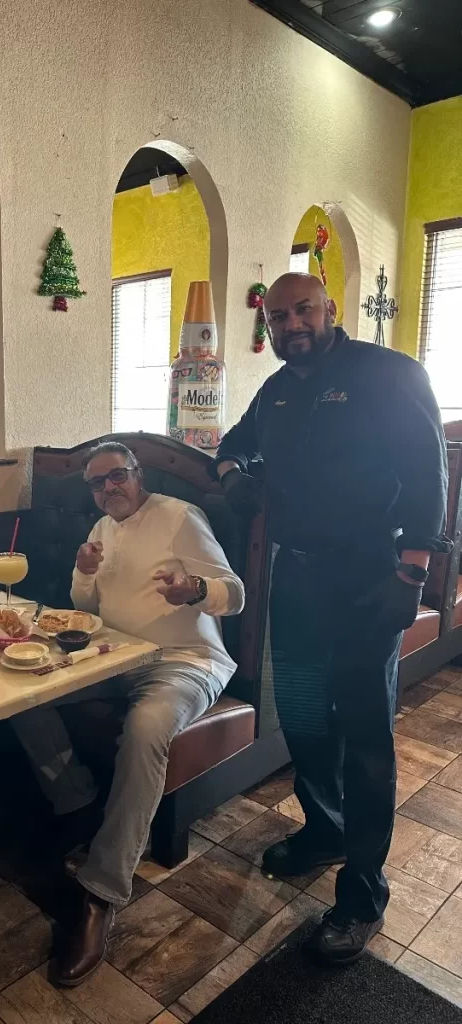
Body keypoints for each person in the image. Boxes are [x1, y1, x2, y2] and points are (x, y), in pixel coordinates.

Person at [214, 273, 450, 965]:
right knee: (306, 715)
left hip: (369, 575)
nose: (292, 325)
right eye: (278, 316)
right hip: (299, 577)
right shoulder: (279, 387)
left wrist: (410, 575)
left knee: (366, 736)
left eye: (304, 311)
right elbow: (236, 439)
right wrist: (232, 475)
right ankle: (324, 830)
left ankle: (363, 894)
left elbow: (429, 475)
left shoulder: (388, 374)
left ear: (331, 311)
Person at [10, 442, 245, 985]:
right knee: (23, 692)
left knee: (144, 728)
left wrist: (196, 590)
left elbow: (235, 592)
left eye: (118, 477)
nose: (108, 488)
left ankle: (101, 893)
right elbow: (86, 608)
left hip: (187, 659)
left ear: (136, 476)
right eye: (98, 483)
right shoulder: (100, 529)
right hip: (114, 654)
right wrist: (83, 570)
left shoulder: (180, 516)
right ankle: (78, 802)